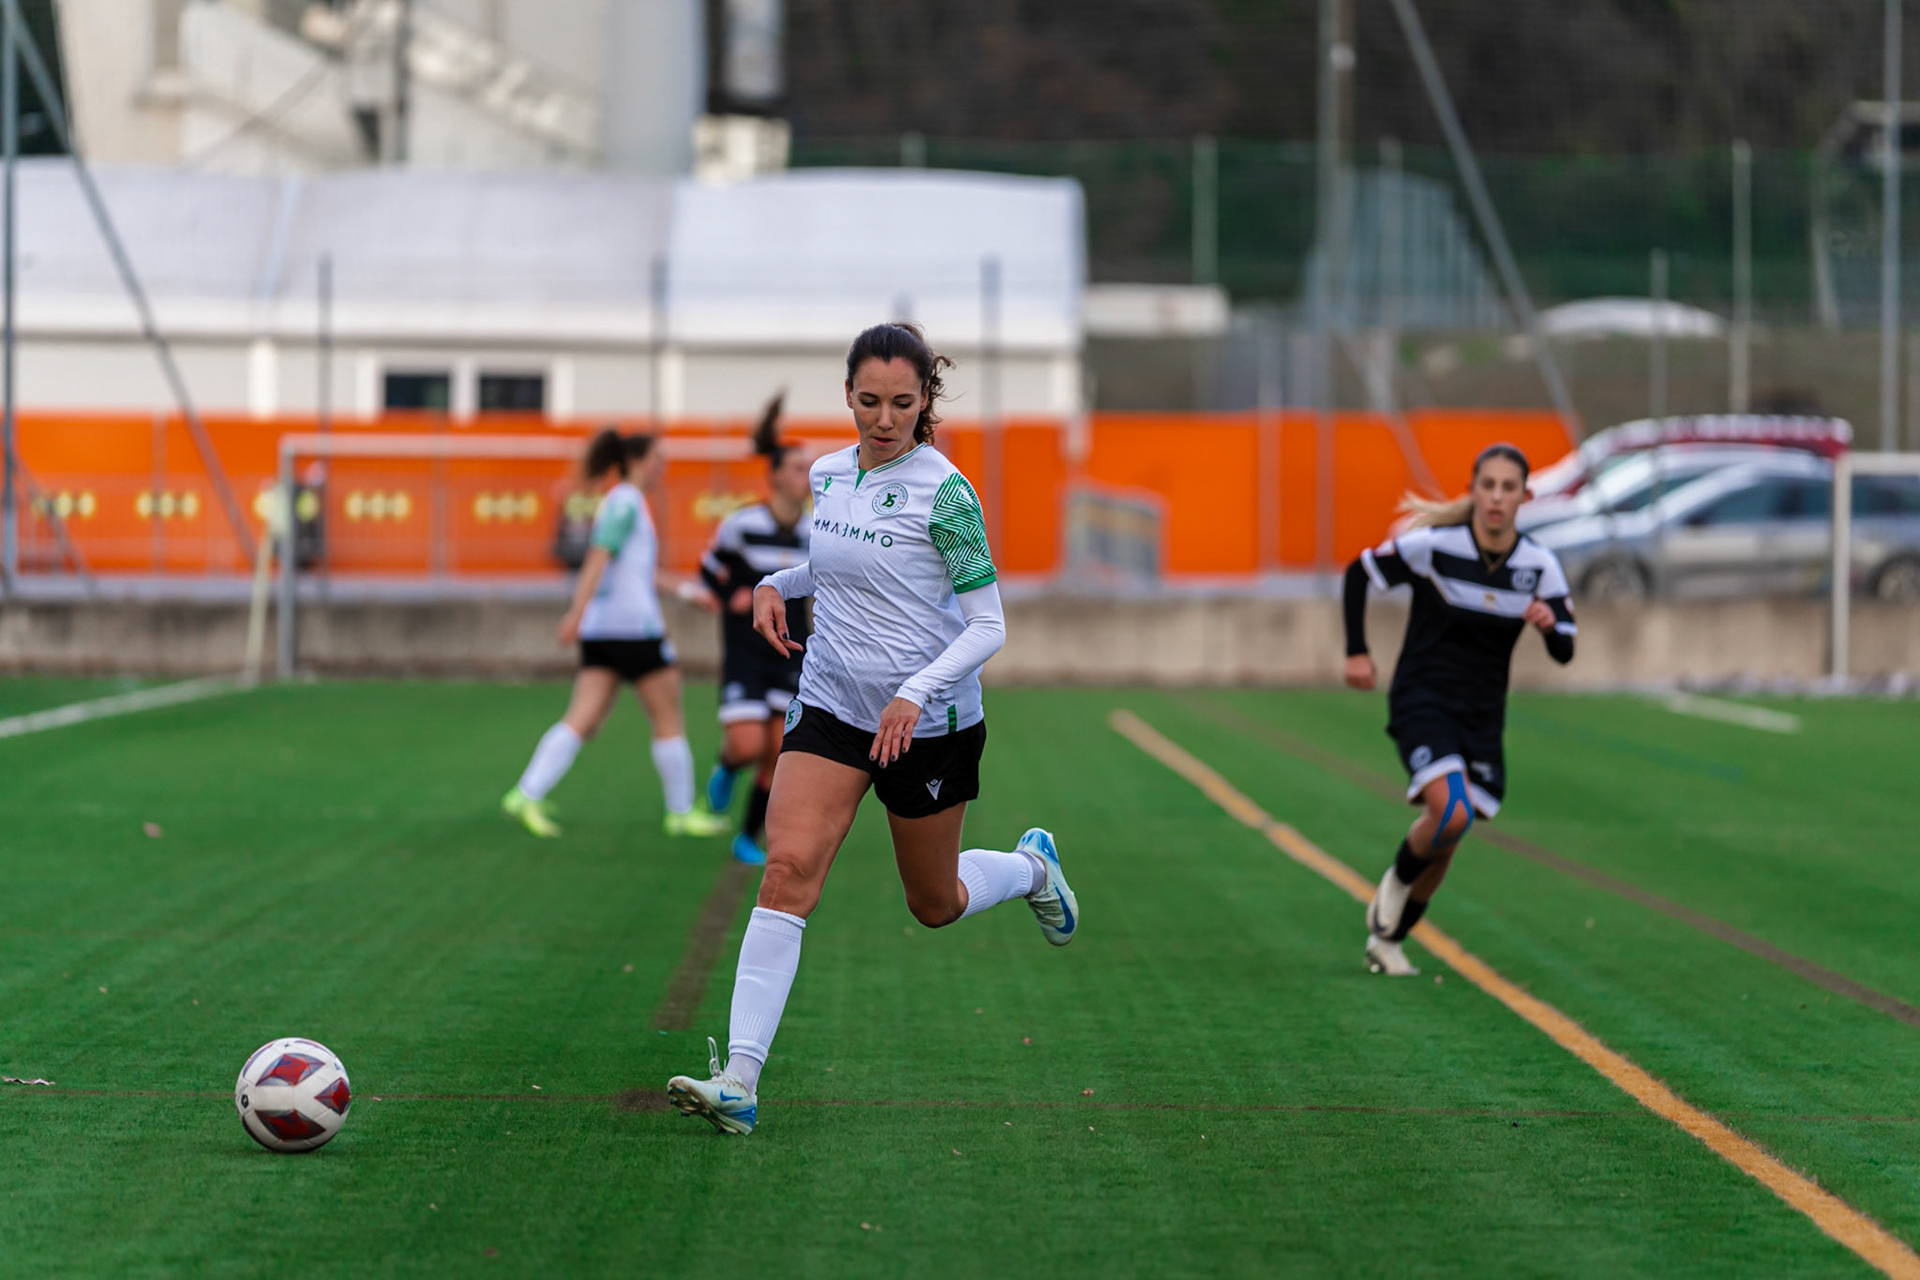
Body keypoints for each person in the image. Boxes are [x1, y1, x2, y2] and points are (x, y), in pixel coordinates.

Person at [667, 322, 1078, 1136]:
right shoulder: (827, 474)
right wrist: (775, 582)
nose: (883, 417)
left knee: (934, 902)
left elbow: (988, 624)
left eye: (900, 402)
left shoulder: (947, 494)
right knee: (786, 869)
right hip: (830, 706)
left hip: (929, 724)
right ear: (847, 395)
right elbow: (838, 563)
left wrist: (917, 694)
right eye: (868, 401)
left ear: (925, 400)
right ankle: (741, 1079)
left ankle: (1032, 870)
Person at [1342, 443, 1576, 977]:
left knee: (1448, 839)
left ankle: (1389, 940)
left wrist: (1547, 625)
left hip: (1482, 718)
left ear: (1525, 496)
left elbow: (1566, 647)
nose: (1496, 497)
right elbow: (1358, 573)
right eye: (1487, 485)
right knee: (1452, 812)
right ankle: (1397, 884)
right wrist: (1356, 651)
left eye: (1508, 487)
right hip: (1422, 699)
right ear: (1472, 490)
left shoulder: (1538, 565)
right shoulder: (1435, 547)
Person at [502, 429, 730, 840]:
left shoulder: (622, 501)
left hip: (603, 629)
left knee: (582, 719)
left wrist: (687, 591)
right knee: (668, 717)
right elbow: (598, 556)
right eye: (660, 457)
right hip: (634, 629)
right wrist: (574, 611)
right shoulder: (626, 501)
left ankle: (526, 793)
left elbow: (634, 570)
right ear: (639, 461)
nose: (665, 466)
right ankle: (680, 812)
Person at [700, 395, 813, 866]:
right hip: (746, 651)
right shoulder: (741, 525)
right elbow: (709, 573)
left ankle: (748, 836)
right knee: (749, 745)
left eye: (809, 468)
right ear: (774, 476)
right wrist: (733, 600)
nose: (806, 476)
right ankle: (727, 765)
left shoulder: (817, 531)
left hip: (792, 653)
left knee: (778, 750)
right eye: (796, 468)